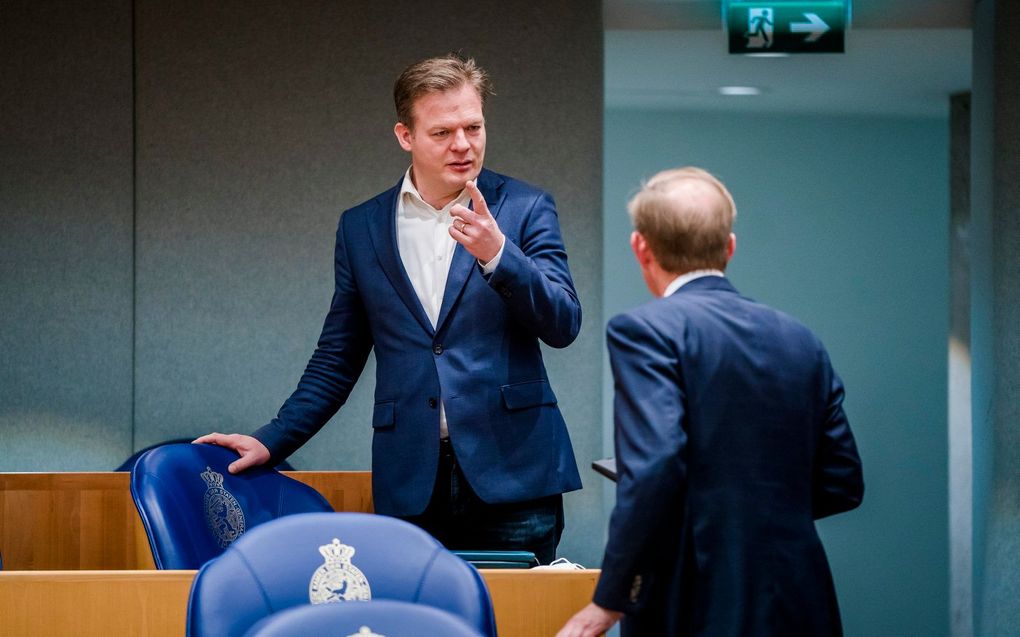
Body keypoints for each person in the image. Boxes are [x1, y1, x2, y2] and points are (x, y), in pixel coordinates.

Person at [195, 54, 582, 564]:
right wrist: (271, 440)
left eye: (473, 127)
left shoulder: (525, 207)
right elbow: (338, 357)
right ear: (406, 136)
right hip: (411, 479)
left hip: (515, 473)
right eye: (443, 132)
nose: (463, 145)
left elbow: (563, 322)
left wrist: (499, 256)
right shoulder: (362, 228)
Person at [557, 167, 863, 636]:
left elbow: (656, 466)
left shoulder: (646, 332)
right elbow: (842, 481)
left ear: (641, 247)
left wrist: (611, 599)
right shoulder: (800, 339)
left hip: (695, 597)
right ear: (730, 246)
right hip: (801, 597)